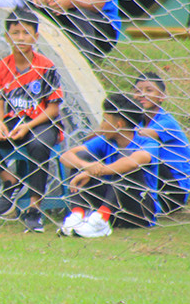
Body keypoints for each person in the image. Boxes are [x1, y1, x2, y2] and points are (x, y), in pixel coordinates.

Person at [0, 7, 62, 233]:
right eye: (16, 32)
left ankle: (34, 209)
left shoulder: (47, 67)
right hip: (14, 123)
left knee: (38, 145)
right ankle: (9, 180)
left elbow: (53, 109)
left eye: (26, 33)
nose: (21, 38)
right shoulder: (0, 67)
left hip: (40, 124)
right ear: (7, 36)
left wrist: (28, 126)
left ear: (35, 37)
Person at [59, 93, 160, 238]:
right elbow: (66, 156)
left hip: (139, 211)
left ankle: (101, 219)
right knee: (81, 157)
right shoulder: (105, 141)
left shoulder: (148, 143)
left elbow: (132, 162)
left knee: (126, 165)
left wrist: (92, 172)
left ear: (118, 125)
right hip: (114, 208)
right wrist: (86, 166)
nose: (101, 126)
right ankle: (77, 216)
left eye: (105, 120)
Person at [134, 72, 190, 215]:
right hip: (153, 182)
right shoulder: (139, 121)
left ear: (161, 96)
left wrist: (116, 127)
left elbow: (138, 135)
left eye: (149, 90)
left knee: (140, 157)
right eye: (137, 91)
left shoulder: (166, 122)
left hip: (174, 189)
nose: (142, 95)